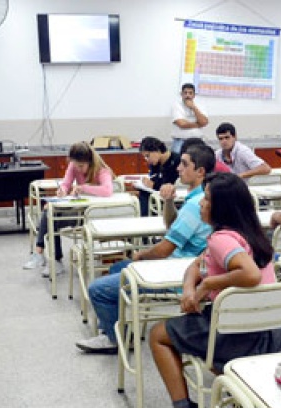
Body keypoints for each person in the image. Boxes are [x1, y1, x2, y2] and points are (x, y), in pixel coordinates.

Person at [149, 173, 281, 408]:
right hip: (271, 333)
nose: (201, 203)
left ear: (221, 206)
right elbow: (196, 265)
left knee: (157, 335)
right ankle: (241, 392)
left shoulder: (221, 240)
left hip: (236, 335)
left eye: (208, 198)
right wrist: (191, 288)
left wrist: (208, 285)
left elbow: (249, 274)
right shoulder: (248, 233)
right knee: (199, 329)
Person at [76, 144, 213, 354]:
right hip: (183, 267)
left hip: (176, 274)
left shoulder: (195, 205)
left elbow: (164, 250)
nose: (178, 168)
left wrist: (141, 255)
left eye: (184, 164)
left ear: (200, 171)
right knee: (118, 269)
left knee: (98, 289)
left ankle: (115, 339)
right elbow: (171, 227)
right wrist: (168, 202)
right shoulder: (198, 199)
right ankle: (114, 328)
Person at [23, 142, 114, 276]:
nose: (78, 168)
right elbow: (66, 183)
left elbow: (107, 190)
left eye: (81, 166)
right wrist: (62, 191)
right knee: (49, 213)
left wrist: (83, 187)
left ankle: (46, 256)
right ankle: (45, 254)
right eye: (75, 165)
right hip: (79, 211)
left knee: (50, 218)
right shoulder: (73, 166)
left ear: (89, 162)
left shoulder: (101, 170)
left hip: (93, 216)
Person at [137, 136, 180, 216]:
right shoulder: (155, 163)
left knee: (146, 197)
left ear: (157, 150)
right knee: (143, 193)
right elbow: (153, 178)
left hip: (172, 196)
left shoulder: (176, 161)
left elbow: (170, 183)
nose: (147, 160)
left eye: (148, 156)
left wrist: (153, 185)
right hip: (158, 194)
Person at [171, 83, 209, 154]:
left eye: (190, 93)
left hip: (197, 141)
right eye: (185, 93)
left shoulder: (200, 106)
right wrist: (198, 124)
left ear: (194, 95)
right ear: (181, 94)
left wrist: (193, 108)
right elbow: (182, 124)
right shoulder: (176, 106)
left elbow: (204, 122)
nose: (187, 95)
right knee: (177, 162)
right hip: (180, 141)